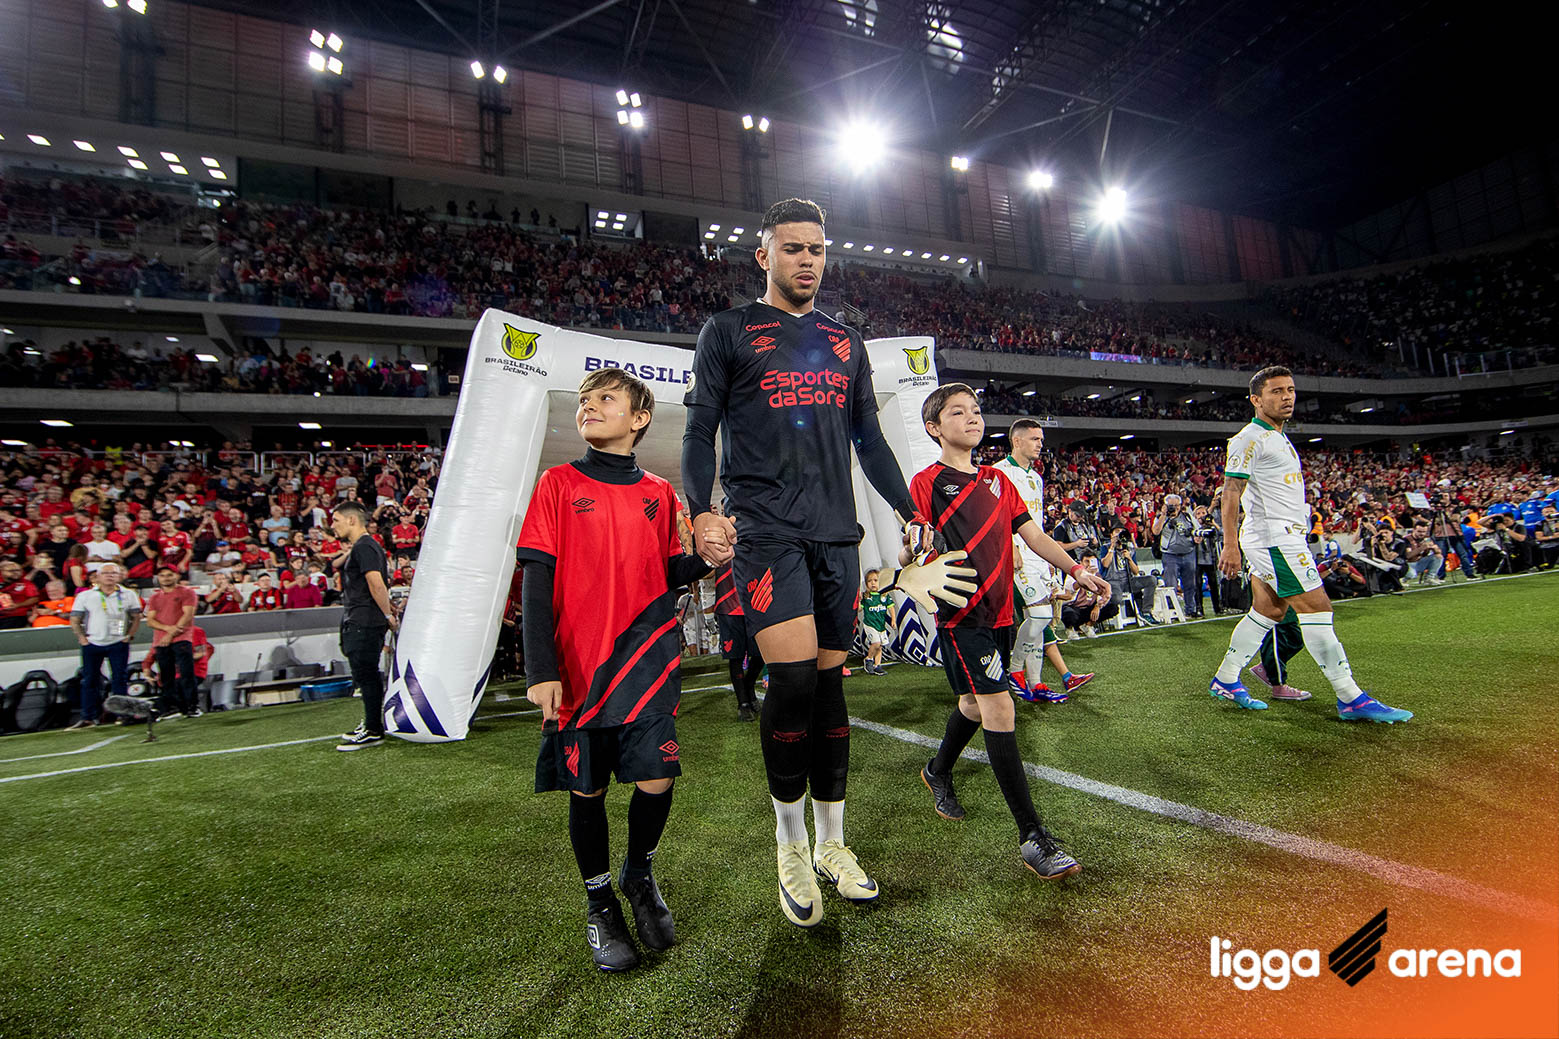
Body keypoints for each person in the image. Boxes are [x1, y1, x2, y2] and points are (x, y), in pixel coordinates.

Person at [681, 198, 958, 929]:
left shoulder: (845, 341)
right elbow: (700, 428)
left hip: (838, 536)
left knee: (830, 686)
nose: (807, 260)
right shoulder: (728, 331)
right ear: (764, 255)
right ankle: (790, 844)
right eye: (793, 248)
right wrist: (699, 508)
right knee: (795, 679)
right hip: (767, 533)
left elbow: (870, 439)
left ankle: (833, 843)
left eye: (817, 249)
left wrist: (910, 508)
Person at [520, 368, 711, 972]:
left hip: (649, 661)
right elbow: (536, 577)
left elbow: (670, 572)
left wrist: (707, 559)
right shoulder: (557, 483)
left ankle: (639, 874)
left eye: (606, 398)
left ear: (639, 418)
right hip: (580, 668)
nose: (589, 406)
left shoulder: (660, 493)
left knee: (658, 778)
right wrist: (540, 668)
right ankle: (600, 903)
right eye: (584, 400)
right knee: (589, 789)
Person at [909, 383, 1110, 879]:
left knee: (973, 704)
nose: (972, 418)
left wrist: (1077, 571)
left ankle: (937, 770)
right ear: (934, 428)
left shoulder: (998, 480)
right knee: (999, 708)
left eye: (976, 410)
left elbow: (1034, 535)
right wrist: (912, 552)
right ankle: (1033, 837)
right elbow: (912, 545)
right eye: (958, 412)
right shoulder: (926, 482)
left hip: (1003, 611)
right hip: (961, 615)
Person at [1212, 366, 1412, 722]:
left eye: (1290, 390)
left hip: (1279, 537)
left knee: (1269, 612)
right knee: (1318, 610)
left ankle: (1226, 678)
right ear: (1256, 399)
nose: (1286, 397)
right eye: (1276, 391)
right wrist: (1229, 544)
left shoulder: (1277, 436)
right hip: (1275, 540)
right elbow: (1230, 491)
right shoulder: (1249, 438)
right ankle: (1350, 697)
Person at [992, 418, 1071, 701]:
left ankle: (1036, 684)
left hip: (1036, 555)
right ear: (1017, 441)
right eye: (1035, 439)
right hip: (1016, 552)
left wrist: (1046, 555)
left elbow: (1035, 523)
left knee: (1036, 622)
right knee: (1040, 615)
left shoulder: (1036, 478)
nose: (1040, 444)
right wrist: (1012, 546)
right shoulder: (998, 472)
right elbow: (997, 516)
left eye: (1041, 440)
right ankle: (1015, 670)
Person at [333, 500, 398, 750]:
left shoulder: (364, 546)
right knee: (365, 674)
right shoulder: (365, 546)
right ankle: (371, 724)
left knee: (367, 675)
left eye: (336, 520)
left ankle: (373, 729)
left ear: (351, 520)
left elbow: (376, 583)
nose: (333, 526)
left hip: (365, 620)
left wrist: (387, 615)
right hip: (362, 618)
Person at [68, 563, 142, 729]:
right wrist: (82, 638)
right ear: (98, 576)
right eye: (106, 573)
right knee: (90, 680)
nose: (110, 576)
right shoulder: (86, 595)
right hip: (93, 642)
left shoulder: (129, 594)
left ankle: (123, 715)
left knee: (119, 679)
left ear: (119, 576)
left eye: (114, 573)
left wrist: (129, 635)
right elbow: (75, 619)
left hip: (118, 642)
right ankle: (88, 717)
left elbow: (136, 617)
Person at [144, 566, 200, 718]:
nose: (166, 578)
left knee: (186, 673)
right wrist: (168, 629)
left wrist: (170, 634)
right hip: (160, 641)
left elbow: (187, 615)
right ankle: (171, 707)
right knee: (166, 675)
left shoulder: (187, 592)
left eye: (169, 575)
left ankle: (192, 706)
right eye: (162, 575)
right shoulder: (155, 597)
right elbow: (150, 620)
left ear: (176, 576)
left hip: (181, 639)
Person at [712, 559, 761, 720]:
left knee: (761, 653)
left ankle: (749, 685)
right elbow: (706, 572)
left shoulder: (752, 542)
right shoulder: (719, 543)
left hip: (753, 603)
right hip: (728, 605)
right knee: (735, 657)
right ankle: (743, 703)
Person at [1153, 494, 1198, 618]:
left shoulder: (1187, 516)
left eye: (1176, 505)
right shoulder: (1161, 517)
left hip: (1188, 553)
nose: (1174, 508)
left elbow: (1196, 530)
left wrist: (1197, 537)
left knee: (1190, 584)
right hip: (1170, 555)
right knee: (1170, 585)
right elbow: (1155, 531)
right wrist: (1164, 515)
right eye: (1171, 505)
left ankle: (1190, 609)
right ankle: (1172, 611)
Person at [1057, 551, 1118, 635]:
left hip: (1089, 607)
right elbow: (1070, 590)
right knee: (1069, 613)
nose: (1089, 564)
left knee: (1112, 608)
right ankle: (1070, 629)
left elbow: (1101, 594)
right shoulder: (1073, 575)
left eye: (1092, 561)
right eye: (1086, 561)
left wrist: (1097, 606)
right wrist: (1084, 577)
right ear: (1081, 563)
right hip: (1075, 606)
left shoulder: (1097, 575)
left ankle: (1087, 625)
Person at [859, 569, 892, 676]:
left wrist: (893, 619)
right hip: (870, 624)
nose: (873, 583)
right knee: (876, 643)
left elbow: (891, 607)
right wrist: (858, 600)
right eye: (869, 581)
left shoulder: (884, 596)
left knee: (880, 646)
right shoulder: (866, 596)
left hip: (881, 625)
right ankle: (868, 659)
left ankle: (877, 665)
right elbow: (859, 609)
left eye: (875, 580)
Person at [0, 559, 40, 631]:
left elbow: (34, 599)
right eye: (12, 571)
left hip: (15, 616)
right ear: (2, 571)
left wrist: (17, 605)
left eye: (18, 570)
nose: (16, 573)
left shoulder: (26, 583)